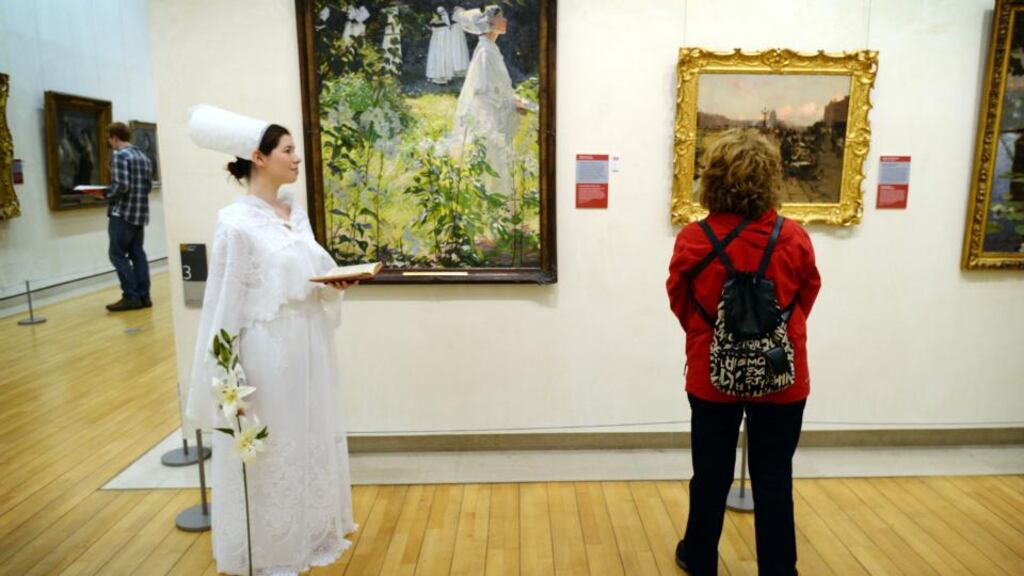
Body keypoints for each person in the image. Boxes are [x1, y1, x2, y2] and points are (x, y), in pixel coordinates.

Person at [185, 105, 357, 575]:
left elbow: (306, 274)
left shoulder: (293, 215)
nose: (297, 158)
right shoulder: (235, 224)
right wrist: (226, 379)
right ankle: (273, 543)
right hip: (267, 353)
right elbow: (224, 303)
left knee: (308, 435)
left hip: (309, 345)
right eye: (287, 150)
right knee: (273, 445)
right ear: (258, 158)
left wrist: (331, 283)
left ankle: (312, 527)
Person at [666, 129, 821, 576]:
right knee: (775, 477)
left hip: (712, 376)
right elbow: (807, 296)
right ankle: (778, 568)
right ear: (770, 178)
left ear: (712, 178)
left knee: (709, 475)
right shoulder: (792, 238)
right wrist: (767, 335)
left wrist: (718, 337)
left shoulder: (694, 240)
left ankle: (699, 556)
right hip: (782, 374)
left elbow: (680, 301)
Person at [451, 5, 530, 195]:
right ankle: (495, 200)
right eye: (501, 18)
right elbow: (484, 90)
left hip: (495, 113)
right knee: (494, 158)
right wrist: (511, 103)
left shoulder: (491, 48)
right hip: (490, 116)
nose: (505, 21)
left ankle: (501, 203)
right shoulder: (485, 52)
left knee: (500, 158)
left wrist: (513, 98)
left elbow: (499, 84)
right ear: (490, 23)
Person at [104, 122, 154, 311]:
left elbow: (122, 186)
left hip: (122, 214)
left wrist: (105, 194)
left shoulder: (120, 155)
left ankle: (131, 296)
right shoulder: (143, 156)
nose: (109, 143)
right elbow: (147, 187)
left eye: (109, 139)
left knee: (117, 254)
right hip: (140, 213)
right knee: (138, 254)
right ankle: (144, 296)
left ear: (115, 137)